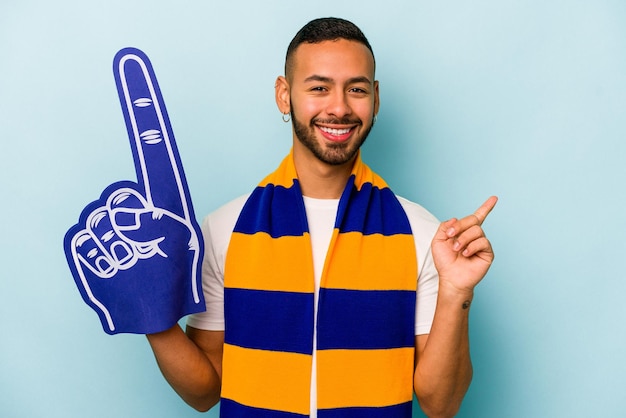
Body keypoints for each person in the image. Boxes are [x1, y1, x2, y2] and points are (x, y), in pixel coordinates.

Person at [147, 17, 497, 418]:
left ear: (376, 99)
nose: (339, 108)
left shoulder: (421, 233)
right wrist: (149, 310)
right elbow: (204, 392)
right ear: (284, 95)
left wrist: (456, 293)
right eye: (319, 88)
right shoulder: (224, 229)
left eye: (357, 89)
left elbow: (442, 404)